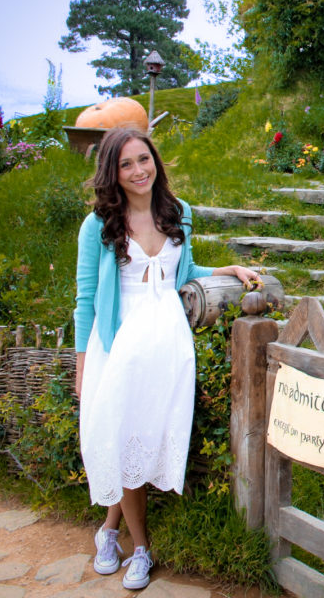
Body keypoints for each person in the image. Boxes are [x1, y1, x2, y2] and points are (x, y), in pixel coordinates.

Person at [73, 127, 258, 590]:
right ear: (112, 174)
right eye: (126, 164)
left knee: (140, 444)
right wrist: (81, 368)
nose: (139, 171)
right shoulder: (98, 226)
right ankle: (140, 549)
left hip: (168, 344)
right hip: (120, 348)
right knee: (126, 441)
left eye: (144, 159)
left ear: (155, 160)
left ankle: (107, 529)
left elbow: (179, 271)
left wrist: (227, 269)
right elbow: (86, 299)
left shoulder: (179, 213)